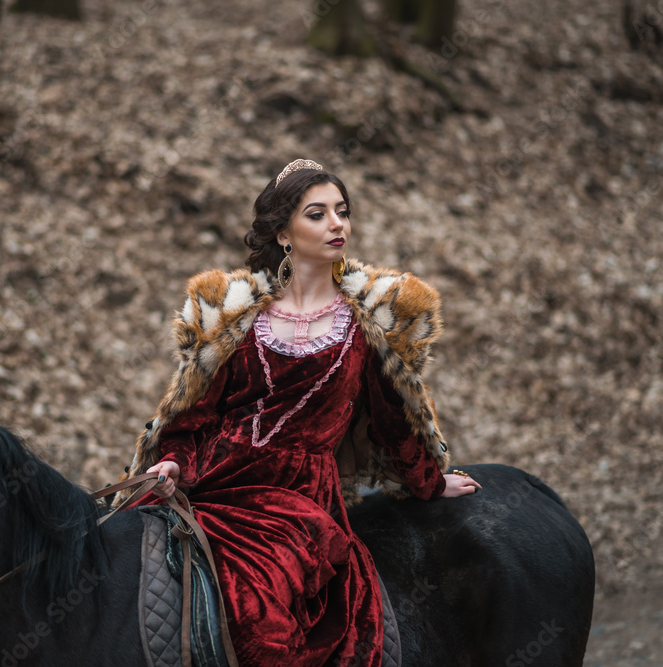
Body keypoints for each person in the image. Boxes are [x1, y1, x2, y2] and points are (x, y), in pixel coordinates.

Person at [122, 159, 481, 666]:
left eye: (343, 211)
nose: (337, 224)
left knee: (261, 619)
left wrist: (429, 481)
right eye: (318, 214)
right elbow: (192, 417)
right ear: (285, 233)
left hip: (297, 499)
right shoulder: (236, 316)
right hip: (215, 479)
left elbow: (393, 418)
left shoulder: (369, 325)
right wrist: (173, 460)